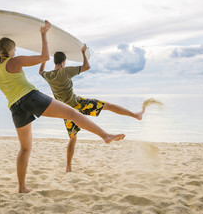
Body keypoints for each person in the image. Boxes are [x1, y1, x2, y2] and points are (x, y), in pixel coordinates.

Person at [0, 20, 125, 193]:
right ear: (8, 50)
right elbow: (44, 57)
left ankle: (21, 187)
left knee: (25, 148)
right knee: (73, 113)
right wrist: (44, 34)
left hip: (15, 109)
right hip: (31, 98)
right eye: (14, 48)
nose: (16, 51)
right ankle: (105, 135)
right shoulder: (15, 61)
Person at [39, 44, 156, 172]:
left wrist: (43, 60)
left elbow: (40, 72)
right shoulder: (66, 71)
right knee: (108, 106)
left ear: (54, 61)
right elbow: (87, 67)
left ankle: (68, 167)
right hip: (79, 104)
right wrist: (83, 53)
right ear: (63, 61)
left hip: (66, 111)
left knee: (73, 138)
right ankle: (135, 115)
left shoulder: (48, 75)